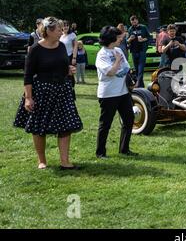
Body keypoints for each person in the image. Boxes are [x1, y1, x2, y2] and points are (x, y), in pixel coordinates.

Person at [13, 17, 83, 170]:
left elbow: (64, 66)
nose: (62, 31)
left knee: (66, 125)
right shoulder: (35, 49)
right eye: (59, 29)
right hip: (42, 92)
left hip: (62, 90)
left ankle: (65, 161)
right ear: (49, 31)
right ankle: (42, 160)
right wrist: (28, 98)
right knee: (39, 127)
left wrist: (69, 70)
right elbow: (28, 76)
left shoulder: (62, 46)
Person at [95, 26, 137, 158]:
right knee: (106, 124)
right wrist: (117, 62)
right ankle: (100, 152)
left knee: (129, 119)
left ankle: (124, 149)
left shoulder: (118, 50)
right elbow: (111, 72)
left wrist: (120, 68)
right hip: (108, 94)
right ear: (111, 39)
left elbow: (126, 68)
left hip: (123, 92)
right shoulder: (102, 55)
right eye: (118, 37)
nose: (120, 39)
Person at [127, 16, 150, 88]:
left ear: (137, 20)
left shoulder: (143, 27)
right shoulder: (130, 29)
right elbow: (127, 40)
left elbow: (149, 37)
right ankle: (141, 86)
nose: (133, 22)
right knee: (136, 69)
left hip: (142, 51)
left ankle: (137, 84)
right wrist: (130, 39)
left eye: (135, 21)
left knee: (140, 69)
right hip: (134, 51)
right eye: (132, 21)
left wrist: (143, 39)